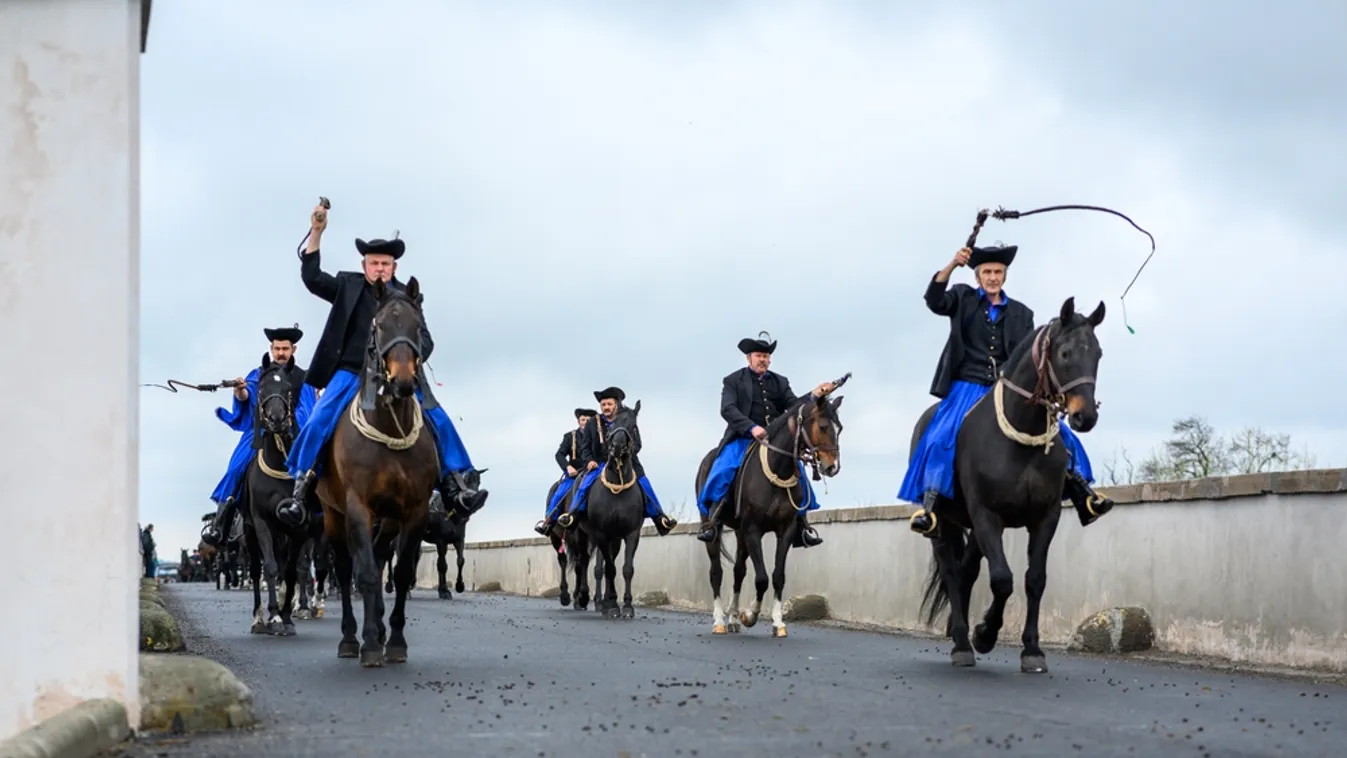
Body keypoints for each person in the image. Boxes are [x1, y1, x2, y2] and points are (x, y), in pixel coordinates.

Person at [276, 201, 489, 527]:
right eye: (374, 263)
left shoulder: (407, 297)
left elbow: (426, 340)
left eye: (385, 264)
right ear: (365, 265)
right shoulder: (348, 286)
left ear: (394, 268)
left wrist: (408, 361)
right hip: (350, 373)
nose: (379, 268)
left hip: (397, 375)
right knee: (319, 419)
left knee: (439, 419)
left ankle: (456, 485)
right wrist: (316, 232)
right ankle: (301, 489)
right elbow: (312, 277)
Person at [898, 244, 1114, 536]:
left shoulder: (1022, 314)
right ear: (977, 276)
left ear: (1005, 275)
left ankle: (1082, 492)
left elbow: (1028, 358)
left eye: (998, 272)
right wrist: (951, 265)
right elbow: (934, 300)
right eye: (987, 272)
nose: (992, 277)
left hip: (1006, 386)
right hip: (967, 385)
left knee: (1059, 433)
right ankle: (932, 506)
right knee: (940, 435)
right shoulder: (962, 299)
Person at [694, 333, 834, 546]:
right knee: (723, 469)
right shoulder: (733, 380)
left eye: (766, 356)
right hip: (742, 438)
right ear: (749, 358)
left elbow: (795, 406)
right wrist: (751, 428)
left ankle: (801, 526)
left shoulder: (780, 381)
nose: (763, 360)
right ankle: (713, 522)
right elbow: (728, 409)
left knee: (798, 473)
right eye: (759, 355)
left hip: (775, 442)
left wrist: (814, 395)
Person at [201, 325, 317, 546]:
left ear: (294, 349)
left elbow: (307, 408)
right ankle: (221, 523)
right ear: (271, 349)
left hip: (293, 432)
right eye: (277, 348)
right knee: (236, 468)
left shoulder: (303, 377)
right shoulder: (257, 375)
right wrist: (240, 392)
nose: (280, 353)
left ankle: (321, 517)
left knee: (317, 467)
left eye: (285, 348)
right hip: (260, 432)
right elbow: (249, 397)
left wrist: (290, 421)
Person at [556, 387, 678, 535]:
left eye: (609, 404)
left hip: (628, 462)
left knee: (645, 484)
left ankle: (659, 518)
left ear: (616, 405)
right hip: (600, 464)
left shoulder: (627, 419)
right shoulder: (593, 423)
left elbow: (638, 444)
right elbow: (585, 447)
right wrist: (589, 461)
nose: (606, 407)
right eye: (603, 405)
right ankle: (573, 515)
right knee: (584, 485)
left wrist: (626, 453)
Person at [534, 408, 597, 535]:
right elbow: (559, 455)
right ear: (579, 421)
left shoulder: (598, 436)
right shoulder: (570, 437)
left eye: (588, 420)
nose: (585, 422)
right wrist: (568, 467)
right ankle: (548, 522)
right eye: (583, 420)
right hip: (574, 475)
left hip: (593, 473)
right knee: (559, 494)